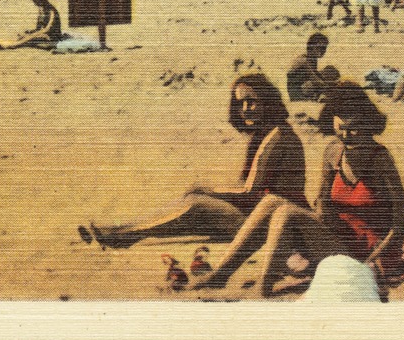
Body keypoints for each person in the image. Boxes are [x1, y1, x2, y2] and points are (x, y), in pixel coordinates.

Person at [193, 84, 404, 297]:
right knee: (271, 202)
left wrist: (374, 260)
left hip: (369, 253)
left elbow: (399, 221)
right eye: (342, 128)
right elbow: (323, 201)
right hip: (337, 239)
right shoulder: (333, 152)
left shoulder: (380, 158)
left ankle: (263, 286)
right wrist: (316, 221)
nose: (348, 135)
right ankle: (221, 273)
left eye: (356, 128)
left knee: (286, 213)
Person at [79, 73, 308, 248]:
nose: (245, 109)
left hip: (275, 226)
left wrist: (208, 190)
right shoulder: (263, 133)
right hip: (262, 216)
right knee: (193, 207)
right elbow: (245, 186)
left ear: (268, 102)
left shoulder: (276, 137)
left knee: (195, 205)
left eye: (252, 102)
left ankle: (123, 234)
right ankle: (126, 232)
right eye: (240, 103)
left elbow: (248, 191)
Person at [286, 32, 338, 102]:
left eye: (324, 48)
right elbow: (313, 78)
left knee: (330, 70)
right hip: (297, 94)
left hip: (304, 88)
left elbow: (316, 75)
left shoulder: (313, 59)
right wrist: (329, 89)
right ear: (311, 47)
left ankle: (319, 97)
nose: (322, 51)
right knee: (324, 76)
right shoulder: (303, 60)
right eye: (320, 48)